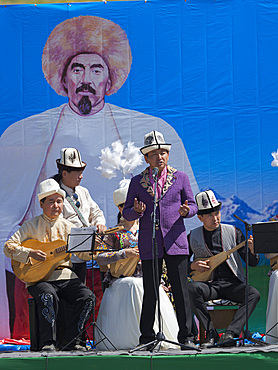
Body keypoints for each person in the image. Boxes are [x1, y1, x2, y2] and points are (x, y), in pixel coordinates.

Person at [0, 16, 199, 337]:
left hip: (109, 250)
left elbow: (100, 215)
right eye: (77, 69)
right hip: (54, 258)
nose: (86, 78)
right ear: (62, 77)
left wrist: (105, 227)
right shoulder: (23, 132)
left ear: (110, 79)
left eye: (96, 69)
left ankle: (175, 336)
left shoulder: (152, 126)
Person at [122, 130, 198, 350]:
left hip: (175, 240)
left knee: (181, 291)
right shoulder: (137, 182)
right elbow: (127, 212)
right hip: (150, 242)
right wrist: (136, 211)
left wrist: (187, 211)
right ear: (146, 158)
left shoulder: (180, 177)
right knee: (151, 291)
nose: (160, 157)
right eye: (154, 154)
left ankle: (187, 337)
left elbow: (193, 205)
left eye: (163, 152)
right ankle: (147, 337)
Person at [4, 179, 94, 351]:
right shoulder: (31, 226)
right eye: (51, 201)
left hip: (65, 276)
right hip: (39, 278)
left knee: (87, 296)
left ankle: (72, 341)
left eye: (59, 201)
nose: (56, 205)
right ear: (41, 203)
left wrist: (92, 248)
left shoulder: (69, 227)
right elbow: (8, 247)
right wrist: (30, 253)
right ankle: (48, 342)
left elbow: (81, 254)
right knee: (47, 294)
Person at [95, 180, 179, 350]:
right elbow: (100, 257)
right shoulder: (114, 233)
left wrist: (162, 282)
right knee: (134, 285)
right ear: (121, 208)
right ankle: (134, 338)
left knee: (150, 286)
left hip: (147, 277)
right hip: (121, 280)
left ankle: (156, 337)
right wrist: (123, 254)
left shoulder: (149, 231)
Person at [188, 190, 260, 348]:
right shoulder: (192, 236)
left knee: (253, 293)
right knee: (192, 288)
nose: (215, 218)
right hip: (210, 286)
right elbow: (183, 264)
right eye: (210, 215)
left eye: (217, 213)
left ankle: (230, 334)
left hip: (232, 284)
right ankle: (210, 333)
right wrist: (192, 265)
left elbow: (252, 262)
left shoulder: (234, 232)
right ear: (200, 217)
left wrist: (253, 251)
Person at [53, 147, 106, 283]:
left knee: (81, 294)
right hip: (64, 258)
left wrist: (99, 223)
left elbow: (96, 212)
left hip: (82, 255)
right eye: (77, 173)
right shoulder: (54, 195)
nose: (81, 176)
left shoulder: (83, 192)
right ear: (64, 173)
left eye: (81, 172)